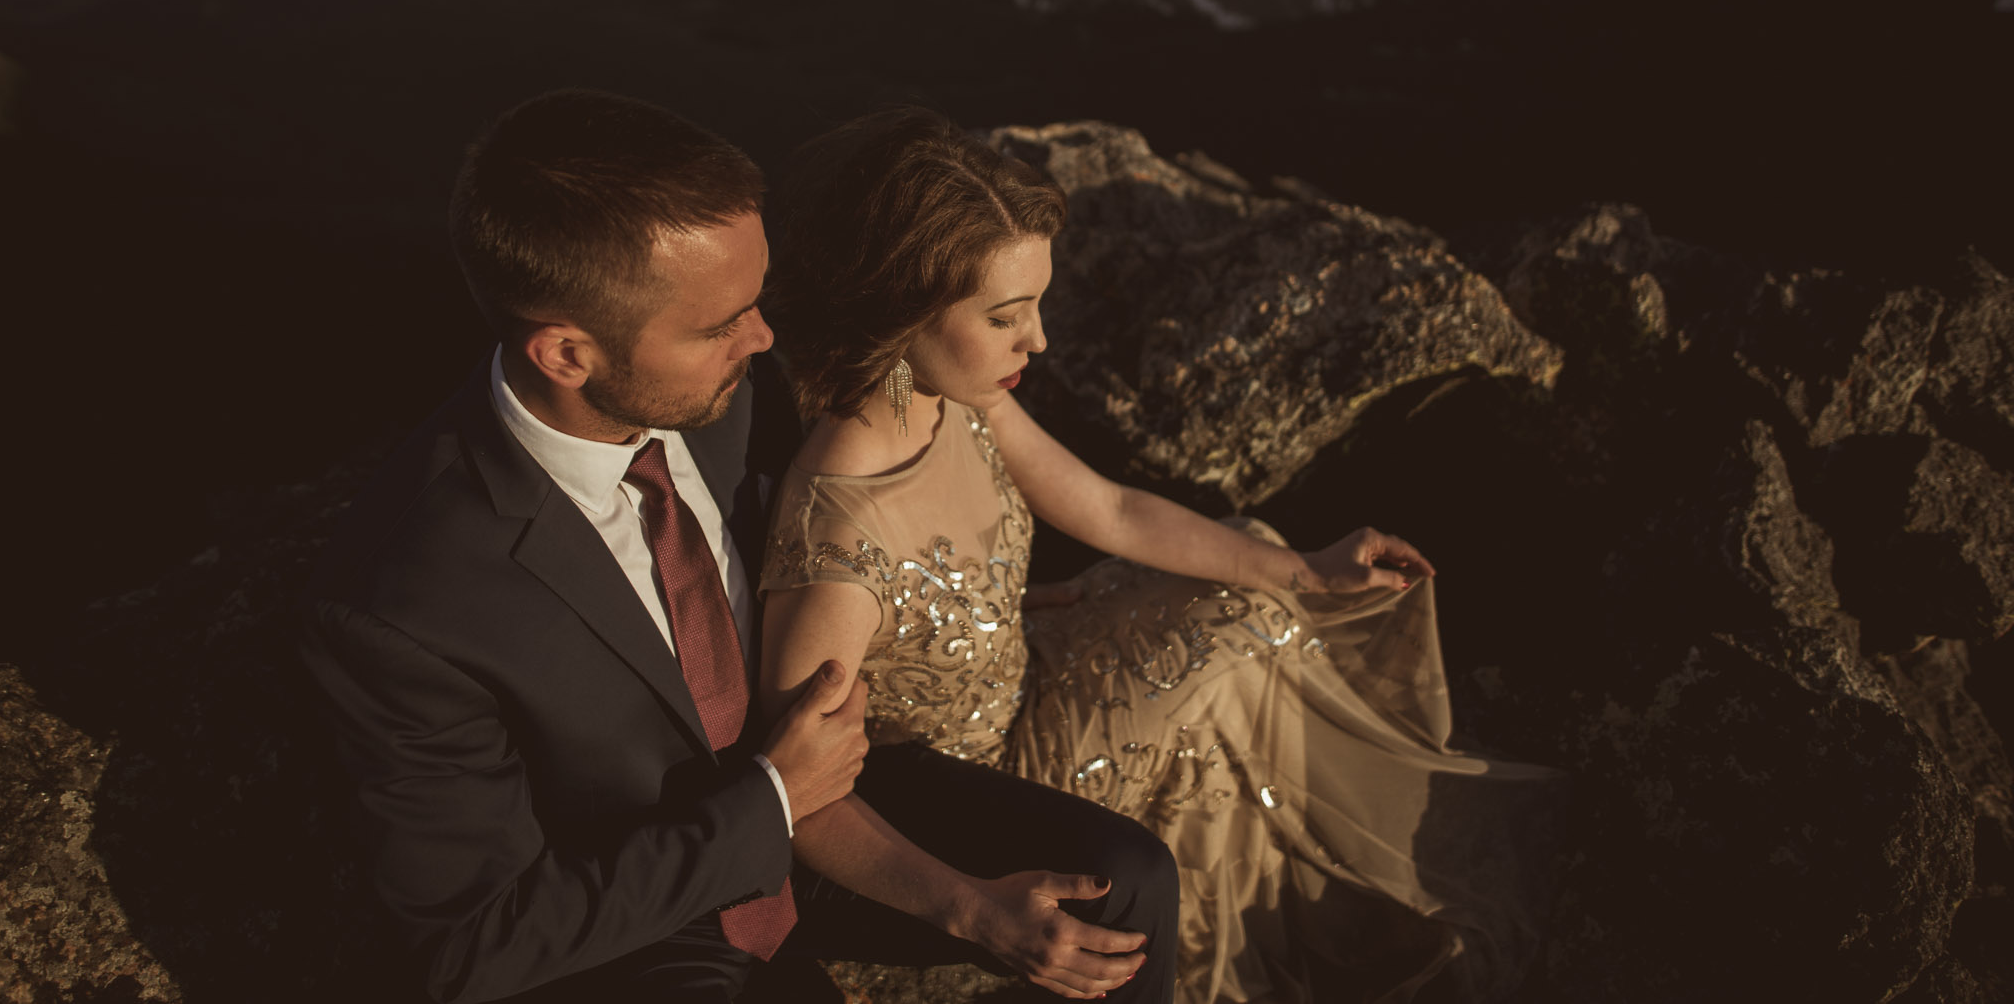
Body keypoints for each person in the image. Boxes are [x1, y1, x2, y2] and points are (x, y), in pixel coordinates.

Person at [298, 89, 1180, 1004]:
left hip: (843, 792)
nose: (764, 339)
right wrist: (769, 802)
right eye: (722, 325)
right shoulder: (404, 604)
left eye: (756, 303)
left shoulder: (744, 389)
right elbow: (474, 944)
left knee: (1123, 885)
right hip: (651, 923)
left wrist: (958, 601)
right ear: (566, 354)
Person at [758, 109, 1566, 1004]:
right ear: (899, 308)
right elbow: (799, 791)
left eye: (1039, 305)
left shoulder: (955, 397)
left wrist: (1310, 566)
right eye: (1006, 316)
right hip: (981, 785)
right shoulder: (836, 543)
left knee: (1250, 578)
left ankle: (1298, 899)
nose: (1041, 340)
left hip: (1029, 676)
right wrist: (973, 908)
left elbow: (1109, 506)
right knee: (1224, 640)